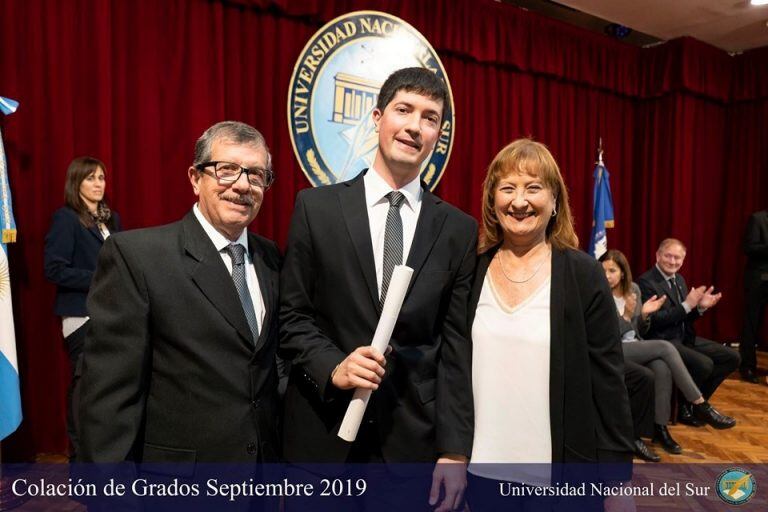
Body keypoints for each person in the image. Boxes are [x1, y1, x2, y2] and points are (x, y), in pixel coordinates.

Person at [280, 67, 475, 511]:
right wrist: (334, 366)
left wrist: (455, 448)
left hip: (411, 446)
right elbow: (292, 317)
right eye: (403, 110)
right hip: (322, 437)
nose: (413, 126)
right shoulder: (316, 209)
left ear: (438, 135)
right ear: (376, 116)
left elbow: (455, 348)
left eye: (429, 118)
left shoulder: (457, 230)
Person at [79, 121, 282, 463]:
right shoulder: (137, 257)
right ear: (194, 178)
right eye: (227, 170)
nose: (243, 185)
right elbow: (108, 398)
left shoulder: (271, 258)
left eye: (257, 174)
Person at [466, 139, 634, 510]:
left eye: (534, 188)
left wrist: (617, 481)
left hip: (563, 477)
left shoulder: (583, 273)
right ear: (493, 202)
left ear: (556, 200)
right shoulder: (471, 270)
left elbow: (609, 379)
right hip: (481, 474)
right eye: (507, 188)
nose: (520, 201)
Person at [601, 250, 735, 457]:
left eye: (612, 270)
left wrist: (644, 315)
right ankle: (700, 404)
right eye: (603, 271)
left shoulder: (633, 290)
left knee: (661, 367)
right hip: (611, 348)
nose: (607, 276)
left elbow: (639, 331)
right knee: (665, 347)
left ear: (622, 273)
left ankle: (660, 429)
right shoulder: (597, 293)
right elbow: (603, 334)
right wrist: (627, 315)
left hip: (635, 345)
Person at [44, 156, 121, 461]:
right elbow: (54, 269)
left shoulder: (111, 220)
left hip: (112, 314)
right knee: (84, 392)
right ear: (76, 183)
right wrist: (101, 279)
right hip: (81, 316)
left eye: (101, 177)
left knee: (104, 391)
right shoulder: (66, 219)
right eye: (90, 178)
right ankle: (80, 463)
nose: (98, 184)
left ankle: (103, 458)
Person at [637, 239, 740, 427]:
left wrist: (699, 308)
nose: (673, 261)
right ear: (658, 256)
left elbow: (684, 317)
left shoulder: (680, 279)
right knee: (704, 364)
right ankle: (691, 405)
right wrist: (687, 306)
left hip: (684, 337)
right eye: (668, 256)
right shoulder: (646, 281)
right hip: (663, 340)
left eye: (678, 258)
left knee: (732, 357)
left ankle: (693, 405)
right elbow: (654, 321)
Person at [740, 210, 768, 384]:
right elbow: (749, 247)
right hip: (760, 278)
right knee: (751, 323)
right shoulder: (758, 218)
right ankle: (747, 366)